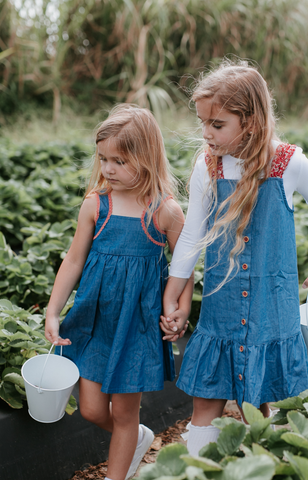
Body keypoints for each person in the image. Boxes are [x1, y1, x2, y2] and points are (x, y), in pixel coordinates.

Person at [160, 60, 308, 456]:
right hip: (223, 302)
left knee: (257, 400)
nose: (205, 133)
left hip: (270, 301)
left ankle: (266, 459)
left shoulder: (287, 162)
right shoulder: (208, 165)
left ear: (251, 120)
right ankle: (196, 465)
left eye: (216, 124)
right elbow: (191, 232)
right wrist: (174, 290)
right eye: (203, 122)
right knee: (206, 399)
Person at [45, 104, 193, 480]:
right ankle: (138, 438)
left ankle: (118, 470)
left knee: (125, 414)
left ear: (146, 158)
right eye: (104, 159)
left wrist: (181, 309)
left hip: (136, 328)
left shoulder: (164, 211)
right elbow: (74, 261)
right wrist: (52, 310)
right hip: (95, 321)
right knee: (92, 410)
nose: (108, 168)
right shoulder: (97, 204)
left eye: (119, 161)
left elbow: (184, 267)